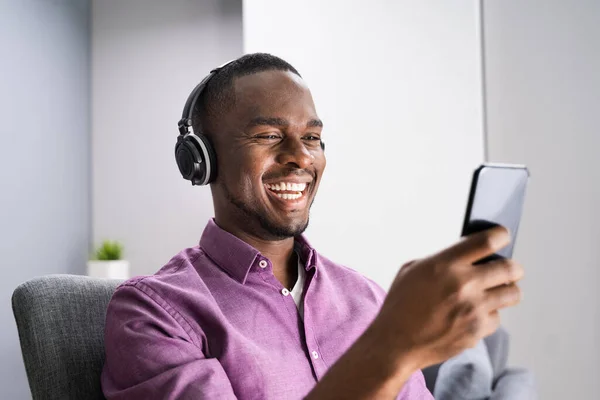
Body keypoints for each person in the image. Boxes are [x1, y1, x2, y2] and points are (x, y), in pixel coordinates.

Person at [101, 53, 524, 399]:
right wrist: (392, 348)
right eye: (268, 135)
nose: (301, 158)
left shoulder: (369, 299)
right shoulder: (152, 314)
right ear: (201, 159)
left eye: (312, 138)